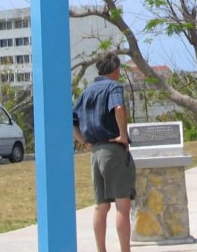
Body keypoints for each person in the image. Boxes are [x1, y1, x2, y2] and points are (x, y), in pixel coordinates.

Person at [73, 51, 136, 252]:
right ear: (116, 70)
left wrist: (84, 141)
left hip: (95, 152)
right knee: (122, 205)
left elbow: (71, 121)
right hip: (113, 150)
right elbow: (118, 107)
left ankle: (101, 250)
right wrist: (123, 135)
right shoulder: (114, 87)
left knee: (101, 206)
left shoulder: (87, 92)